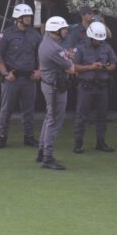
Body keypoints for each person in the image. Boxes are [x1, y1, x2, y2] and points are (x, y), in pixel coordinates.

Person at [0, 4, 42, 149]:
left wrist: (39, 71)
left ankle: (29, 137)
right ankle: (2, 137)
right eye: (26, 16)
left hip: (29, 79)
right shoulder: (7, 34)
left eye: (30, 16)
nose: (29, 18)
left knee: (29, 110)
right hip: (12, 78)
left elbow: (42, 54)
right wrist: (5, 73)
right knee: (6, 109)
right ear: (18, 18)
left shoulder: (35, 35)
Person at [71, 22, 117, 154]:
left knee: (102, 116)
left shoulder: (106, 47)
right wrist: (90, 67)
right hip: (86, 86)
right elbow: (74, 67)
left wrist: (104, 67)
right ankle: (78, 143)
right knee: (81, 116)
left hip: (102, 87)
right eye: (97, 39)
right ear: (91, 37)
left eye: (100, 39)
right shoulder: (80, 48)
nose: (99, 41)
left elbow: (113, 65)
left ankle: (101, 142)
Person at [37, 16, 76, 170]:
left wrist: (65, 55)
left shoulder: (47, 42)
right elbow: (71, 69)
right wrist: (68, 58)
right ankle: (47, 157)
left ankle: (42, 151)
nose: (66, 31)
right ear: (56, 31)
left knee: (49, 118)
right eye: (64, 29)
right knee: (54, 122)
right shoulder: (54, 48)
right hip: (55, 88)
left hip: (49, 85)